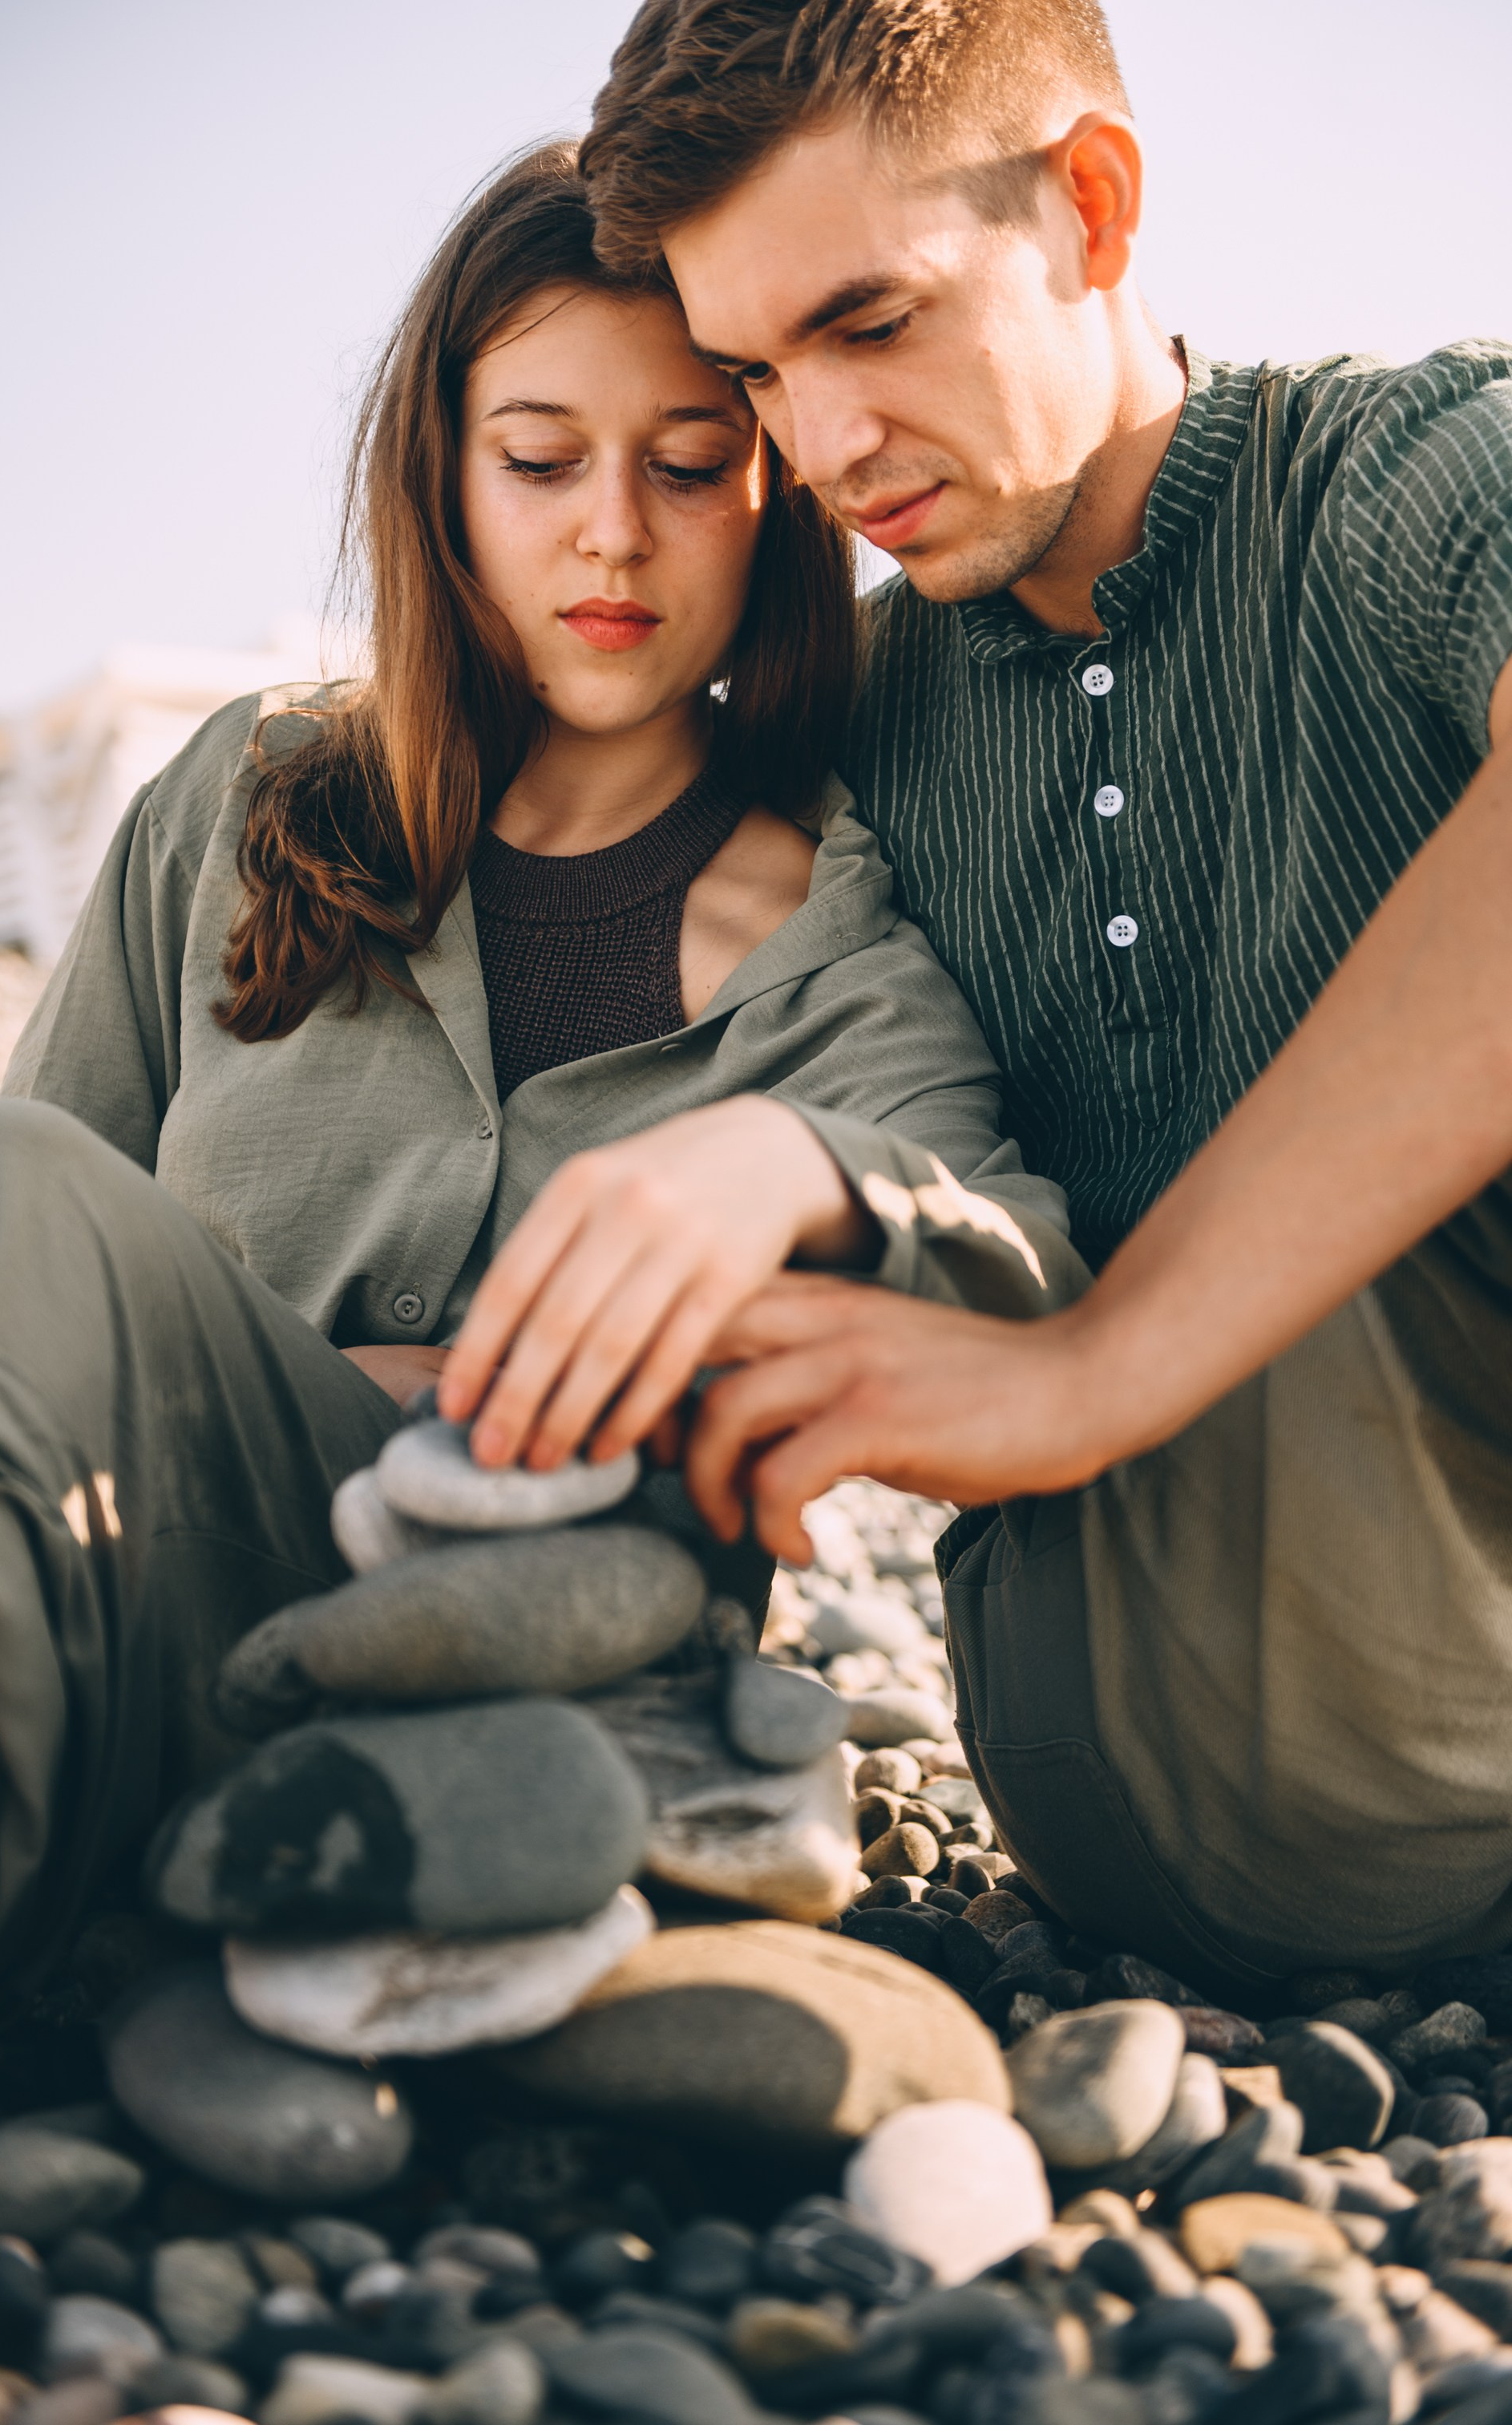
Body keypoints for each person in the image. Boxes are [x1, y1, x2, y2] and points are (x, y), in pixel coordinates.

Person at [0, 143, 1079, 2036]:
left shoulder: (829, 939)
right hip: (115, 1575)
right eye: (540, 461)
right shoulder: (245, 800)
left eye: (688, 464)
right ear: (442, 479)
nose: (611, 532)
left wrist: (785, 1176)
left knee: (5, 1186)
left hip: (506, 1714)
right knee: (6, 1183)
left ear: (776, 494)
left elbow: (1020, 1288)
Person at [495, 0, 1512, 1996]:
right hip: (1153, 1844)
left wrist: (1098, 1367)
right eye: (757, 371)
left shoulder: (1418, 479)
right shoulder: (848, 726)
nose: (819, 445)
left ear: (1095, 205)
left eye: (870, 324)